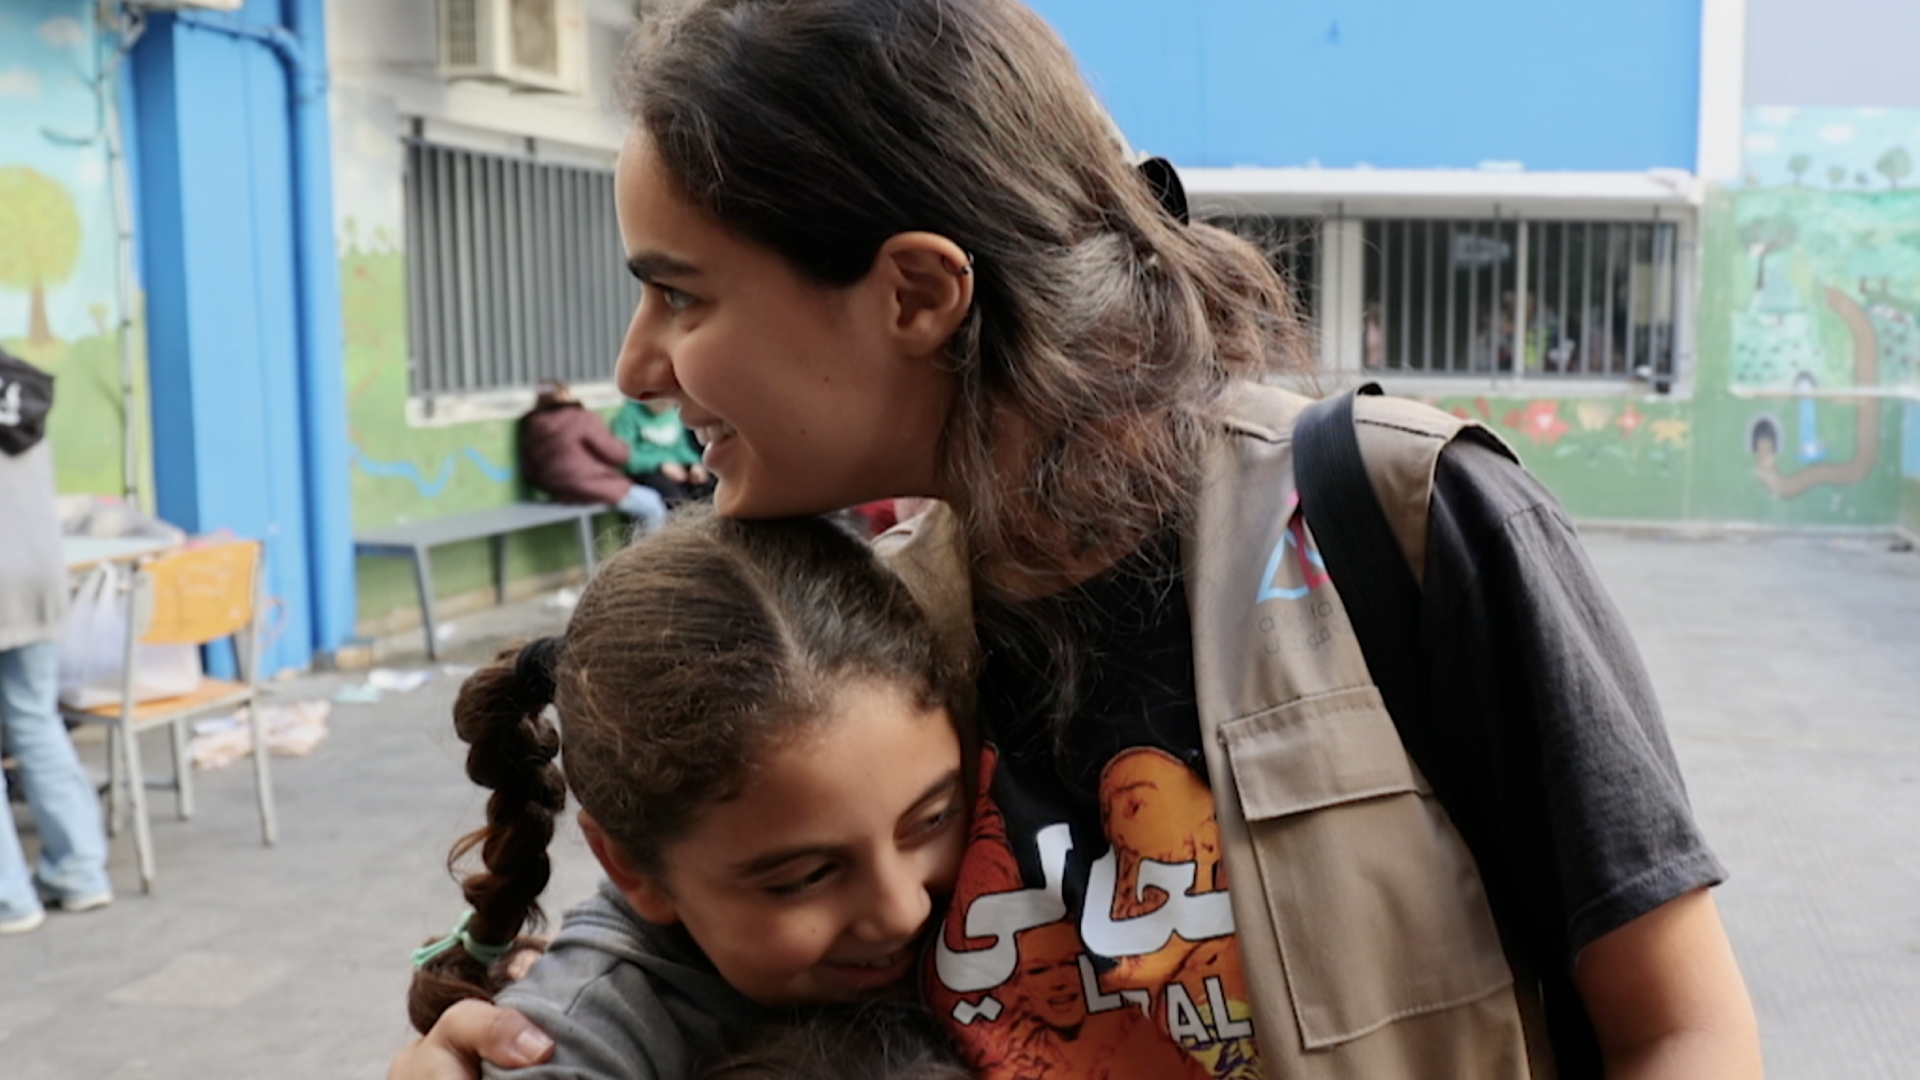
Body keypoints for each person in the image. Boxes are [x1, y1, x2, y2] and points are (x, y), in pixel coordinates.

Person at [396, 1, 1763, 1077]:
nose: (637, 367)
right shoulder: (872, 640)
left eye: (682, 297)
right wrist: (520, 1048)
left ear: (915, 292)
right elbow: (670, 911)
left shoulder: (1394, 523)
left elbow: (1681, 1032)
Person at [406, 508, 971, 1079]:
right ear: (630, 869)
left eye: (932, 818)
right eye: (805, 878)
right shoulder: (578, 1049)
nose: (902, 912)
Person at [0, 349, 113, 934]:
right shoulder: (21, 387)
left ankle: (9, 898)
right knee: (36, 720)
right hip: (37, 579)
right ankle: (80, 872)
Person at [518, 380, 667, 531]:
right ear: (565, 395)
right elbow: (616, 454)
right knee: (652, 502)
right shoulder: (582, 417)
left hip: (556, 490)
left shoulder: (531, 423)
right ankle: (653, 546)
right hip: (591, 485)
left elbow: (531, 467)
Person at [610, 398, 715, 506]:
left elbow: (681, 446)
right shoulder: (627, 416)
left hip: (677, 465)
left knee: (706, 486)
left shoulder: (673, 414)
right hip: (646, 469)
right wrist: (661, 465)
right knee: (673, 497)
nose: (663, 403)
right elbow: (624, 456)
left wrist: (694, 463)